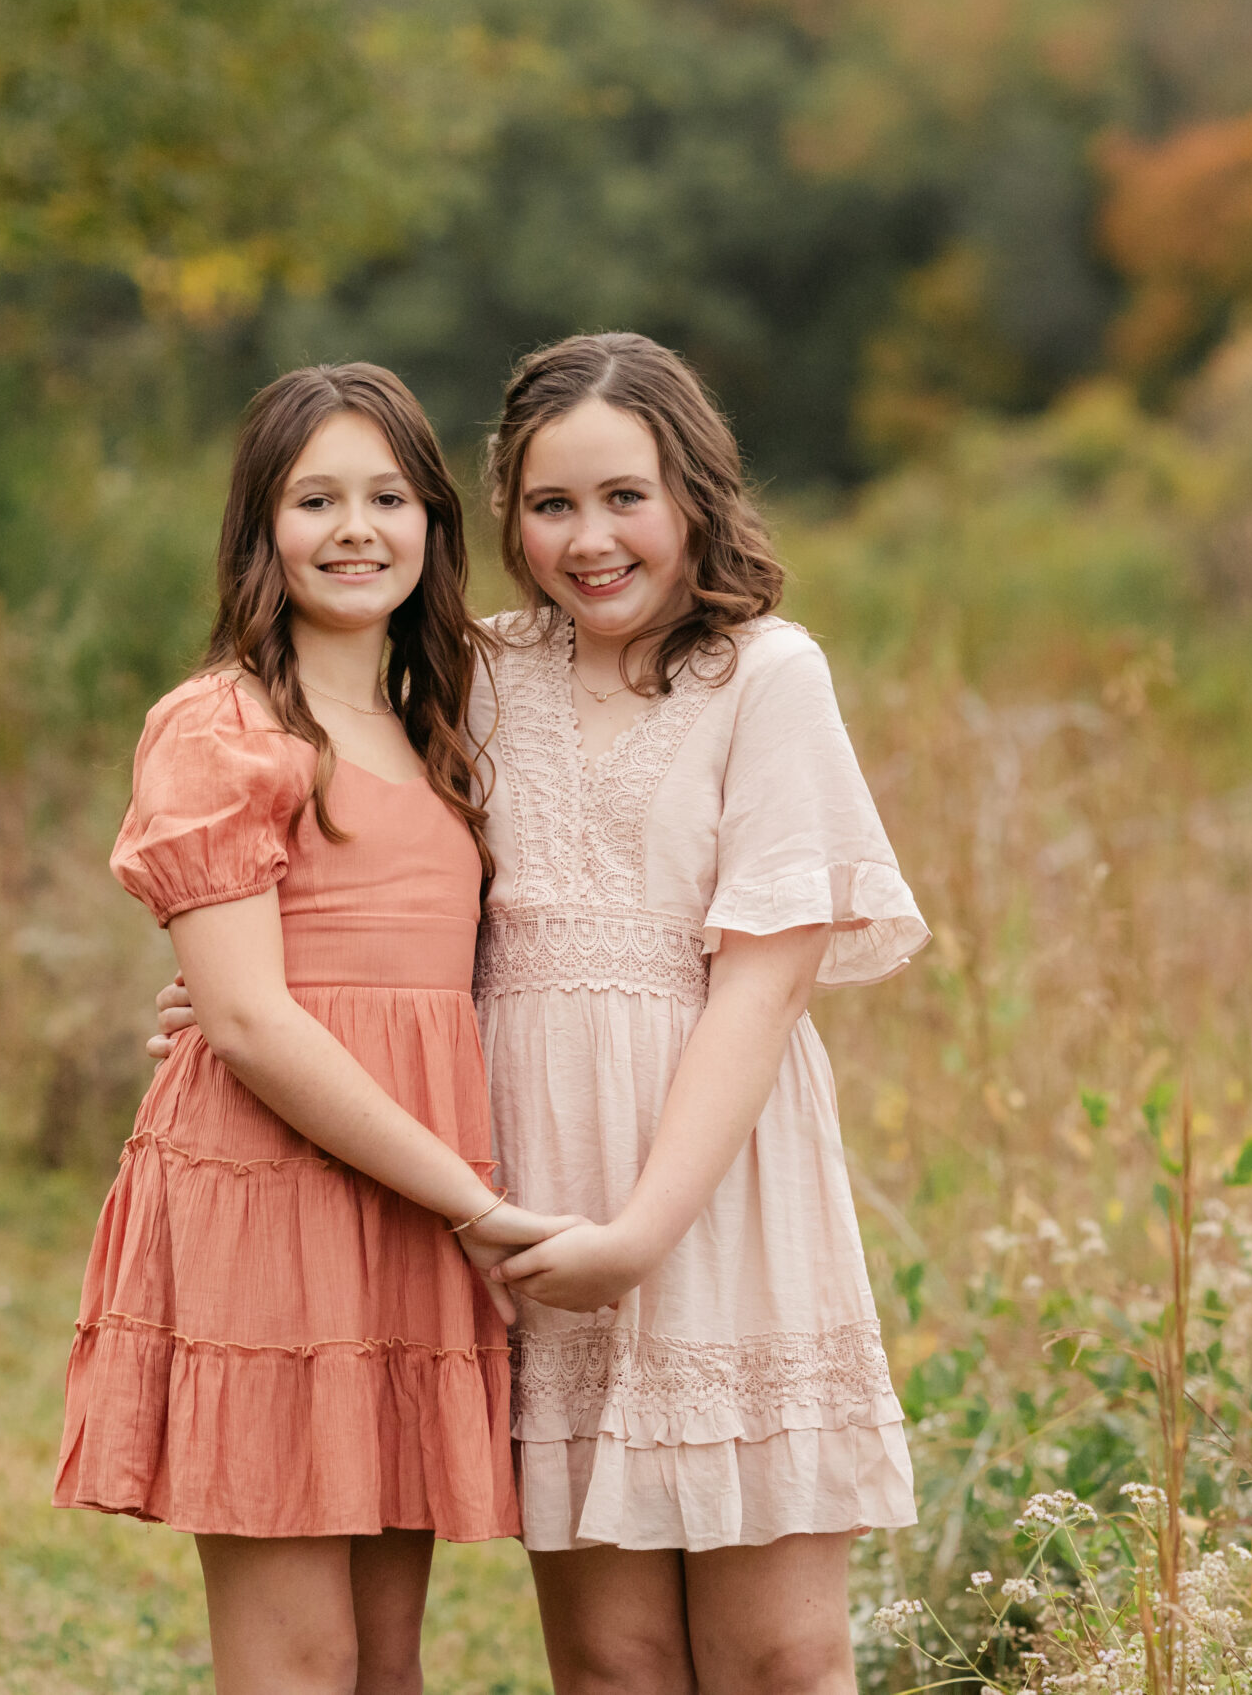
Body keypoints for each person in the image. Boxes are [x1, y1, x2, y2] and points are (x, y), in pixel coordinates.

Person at [156, 334, 928, 1694]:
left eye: (626, 497)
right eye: (551, 504)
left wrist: (645, 1231)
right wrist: (237, 1000)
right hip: (532, 1188)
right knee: (614, 1661)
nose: (591, 540)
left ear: (693, 494)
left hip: (717, 1187)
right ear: (505, 517)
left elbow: (766, 979)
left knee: (783, 1659)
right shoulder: (471, 674)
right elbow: (377, 885)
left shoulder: (767, 675)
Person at [57, 362, 576, 1695]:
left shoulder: (443, 720)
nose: (357, 529)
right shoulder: (223, 726)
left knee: (388, 1659)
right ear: (260, 529)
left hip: (404, 1202)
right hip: (281, 1196)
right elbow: (246, 1016)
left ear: (434, 524)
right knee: (301, 1657)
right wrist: (470, 1199)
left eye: (389, 496)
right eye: (317, 499)